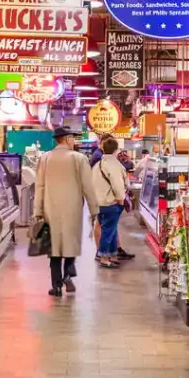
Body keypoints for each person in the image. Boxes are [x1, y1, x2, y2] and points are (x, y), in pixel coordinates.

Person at [33, 126, 99, 297]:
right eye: (73, 138)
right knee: (71, 243)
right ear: (68, 139)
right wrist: (94, 210)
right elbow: (88, 187)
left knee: (54, 248)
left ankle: (56, 286)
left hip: (50, 209)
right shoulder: (79, 158)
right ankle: (68, 273)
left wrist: (37, 211)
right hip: (72, 209)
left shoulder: (45, 158)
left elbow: (39, 187)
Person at [92, 138, 129, 268]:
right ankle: (103, 257)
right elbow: (118, 185)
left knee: (110, 230)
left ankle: (112, 255)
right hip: (110, 203)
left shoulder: (98, 164)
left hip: (98, 203)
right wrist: (121, 200)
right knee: (108, 231)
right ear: (116, 150)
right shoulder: (114, 165)